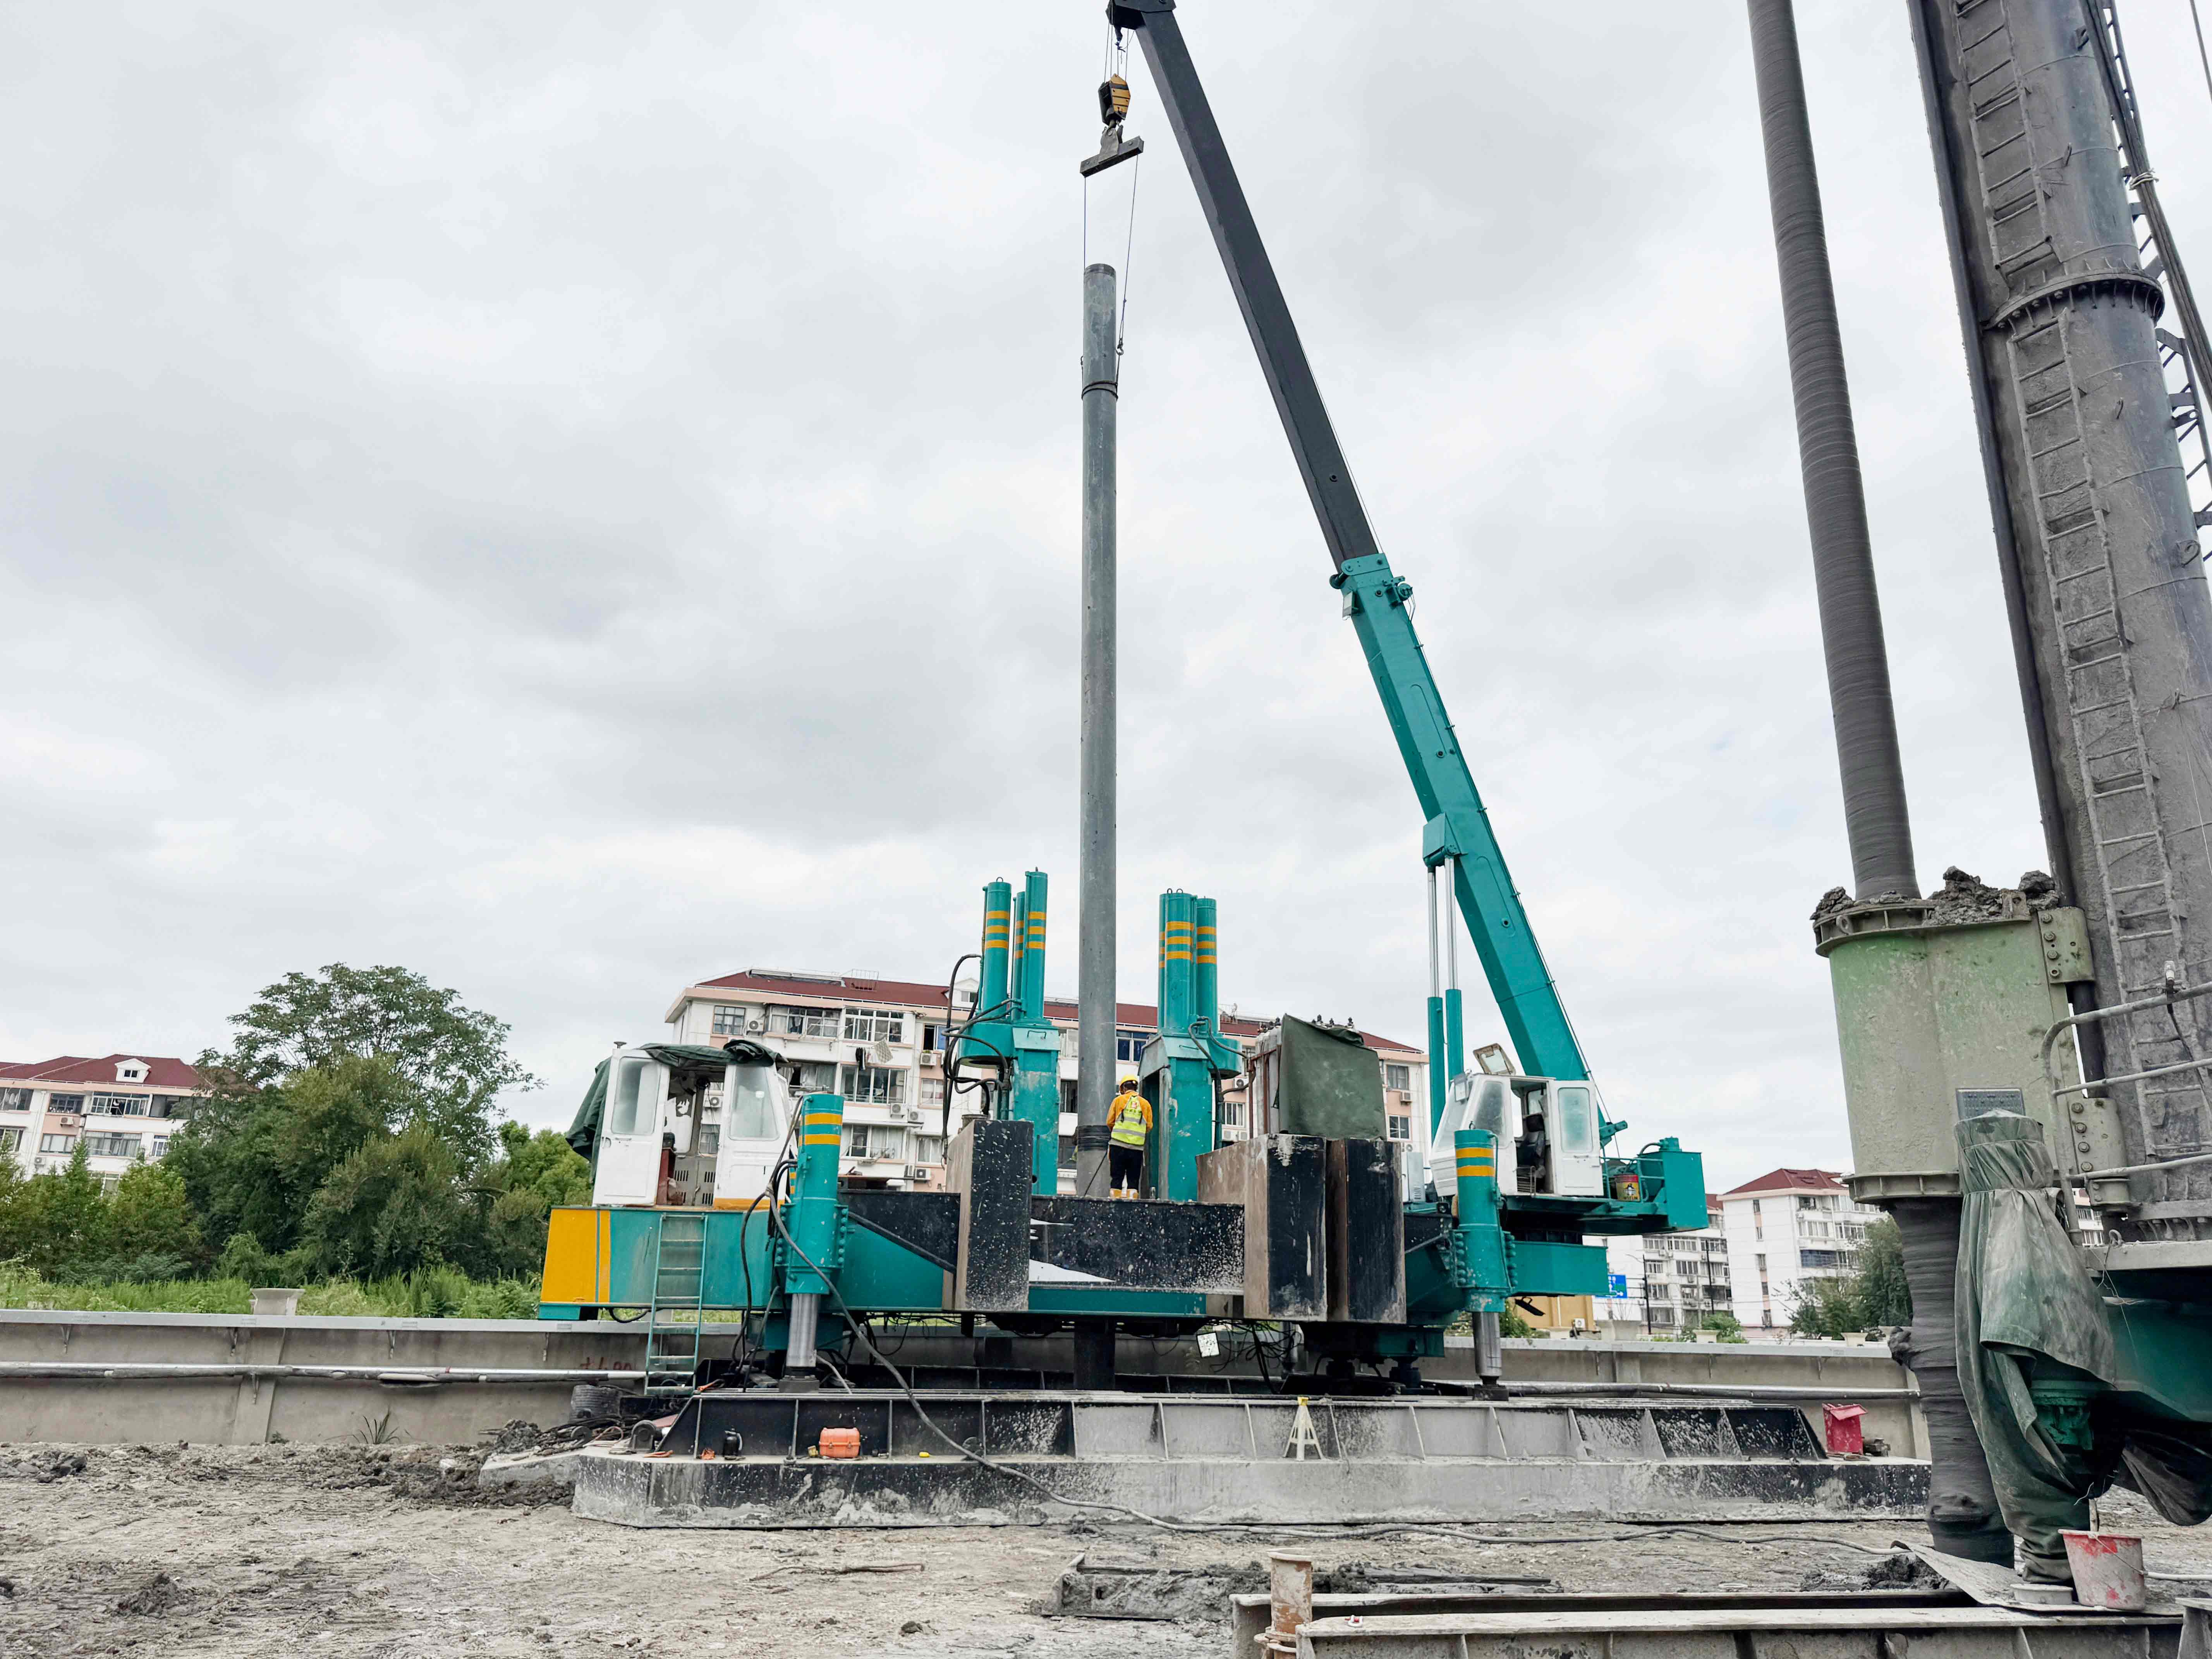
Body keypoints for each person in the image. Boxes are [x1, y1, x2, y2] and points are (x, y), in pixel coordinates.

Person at [1107, 1077, 1151, 1197]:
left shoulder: (1118, 1101)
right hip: (1136, 1149)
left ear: (1123, 1088)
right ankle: (1132, 1202)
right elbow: (1149, 1126)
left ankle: (1115, 1202)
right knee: (1133, 1180)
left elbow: (1110, 1122)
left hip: (1118, 1146)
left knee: (1117, 1179)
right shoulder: (1145, 1104)